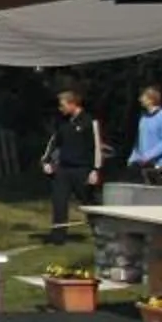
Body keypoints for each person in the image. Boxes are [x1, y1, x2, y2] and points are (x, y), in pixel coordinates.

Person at [41, 90, 106, 234]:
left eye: (62, 105)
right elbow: (54, 142)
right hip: (63, 169)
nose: (60, 109)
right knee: (59, 203)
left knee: (89, 202)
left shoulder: (89, 121)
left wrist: (95, 169)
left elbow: (96, 147)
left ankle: (99, 230)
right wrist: (46, 161)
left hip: (82, 169)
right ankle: (58, 237)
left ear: (72, 104)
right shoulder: (62, 122)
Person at [128, 86, 162, 186]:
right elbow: (139, 140)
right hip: (144, 165)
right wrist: (134, 157)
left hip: (159, 166)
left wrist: (149, 155)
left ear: (151, 99)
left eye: (143, 97)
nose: (140, 100)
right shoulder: (143, 118)